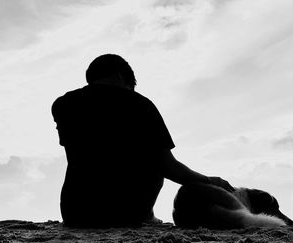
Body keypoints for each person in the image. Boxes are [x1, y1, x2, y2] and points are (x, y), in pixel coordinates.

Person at [52, 54, 234, 228]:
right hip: (127, 213)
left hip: (75, 211)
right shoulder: (140, 104)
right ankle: (147, 215)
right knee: (151, 157)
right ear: (120, 76)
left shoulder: (63, 105)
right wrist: (209, 181)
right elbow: (167, 166)